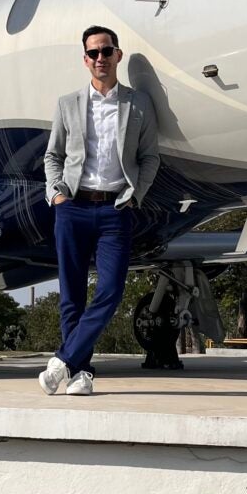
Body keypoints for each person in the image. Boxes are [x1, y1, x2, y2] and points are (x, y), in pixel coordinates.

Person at [39, 25, 160, 396]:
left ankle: (63, 360)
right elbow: (53, 155)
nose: (100, 59)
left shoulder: (138, 104)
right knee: (71, 294)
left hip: (115, 210)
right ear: (85, 60)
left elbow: (149, 157)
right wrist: (55, 193)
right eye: (92, 53)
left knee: (110, 291)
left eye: (106, 51)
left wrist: (134, 194)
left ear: (118, 55)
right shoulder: (68, 104)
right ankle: (82, 373)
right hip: (72, 207)